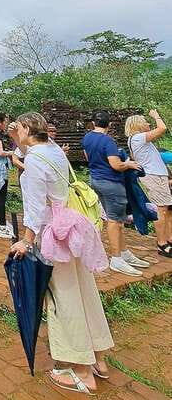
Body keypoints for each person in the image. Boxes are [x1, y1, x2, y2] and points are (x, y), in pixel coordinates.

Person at [11, 112, 113, 394]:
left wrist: (27, 241)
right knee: (84, 291)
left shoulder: (33, 161)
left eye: (18, 128)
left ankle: (80, 370)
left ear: (28, 129)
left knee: (62, 298)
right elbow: (34, 150)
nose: (15, 131)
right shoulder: (54, 150)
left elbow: (34, 207)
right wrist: (18, 140)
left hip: (52, 234)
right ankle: (99, 360)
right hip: (73, 228)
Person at [82, 111, 149, 276]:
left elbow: (87, 156)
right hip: (111, 183)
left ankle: (124, 252)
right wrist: (129, 164)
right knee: (115, 221)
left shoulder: (87, 138)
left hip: (96, 180)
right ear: (109, 124)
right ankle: (116, 258)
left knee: (116, 219)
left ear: (93, 123)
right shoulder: (108, 141)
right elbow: (116, 165)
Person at [125, 110, 172, 258]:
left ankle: (169, 239)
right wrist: (156, 115)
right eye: (145, 121)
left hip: (158, 175)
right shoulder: (137, 138)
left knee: (167, 210)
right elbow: (162, 128)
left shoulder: (138, 140)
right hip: (153, 177)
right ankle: (162, 243)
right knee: (161, 211)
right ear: (138, 125)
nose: (148, 123)